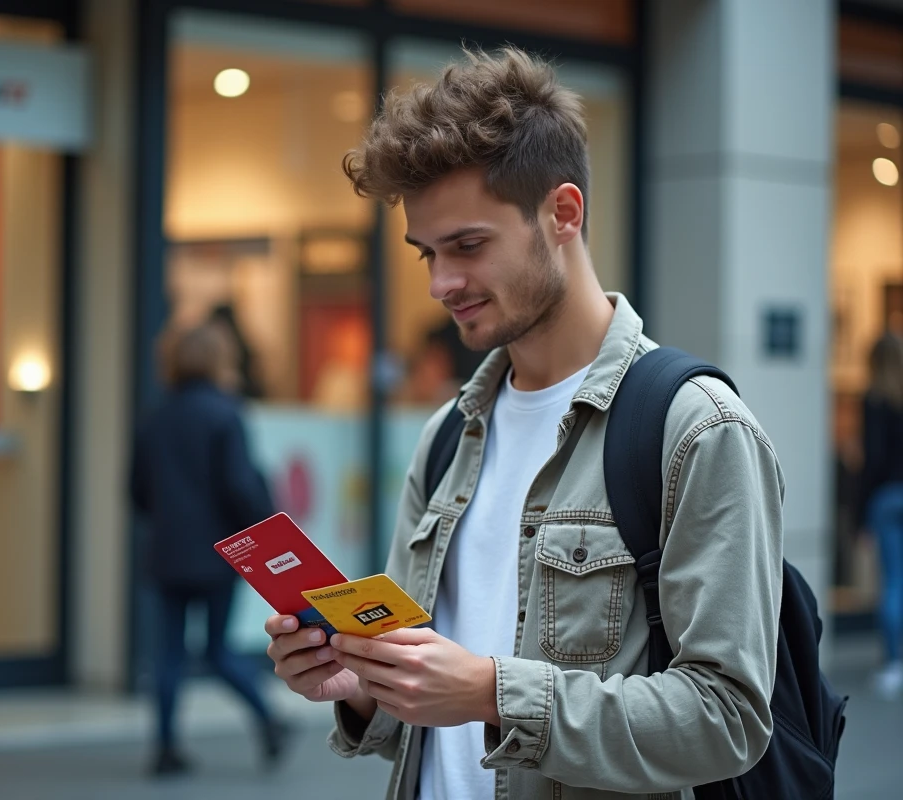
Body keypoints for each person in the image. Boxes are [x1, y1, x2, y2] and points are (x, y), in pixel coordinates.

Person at [264, 48, 785, 799]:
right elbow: (425, 721)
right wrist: (361, 687)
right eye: (427, 254)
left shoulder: (695, 429)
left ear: (563, 213)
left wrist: (492, 694)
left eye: (469, 245)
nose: (442, 283)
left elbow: (726, 718)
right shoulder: (448, 436)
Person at [131, 322, 290, 776]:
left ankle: (165, 748)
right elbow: (240, 486)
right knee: (217, 649)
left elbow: (137, 491)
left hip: (167, 552)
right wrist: (265, 526)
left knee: (169, 652)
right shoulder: (225, 414)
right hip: (220, 552)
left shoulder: (155, 417)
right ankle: (268, 719)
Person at [861, 333, 903, 699]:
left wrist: (861, 514)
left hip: (887, 497)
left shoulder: (874, 400)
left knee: (892, 583)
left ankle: (893, 663)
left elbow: (872, 460)